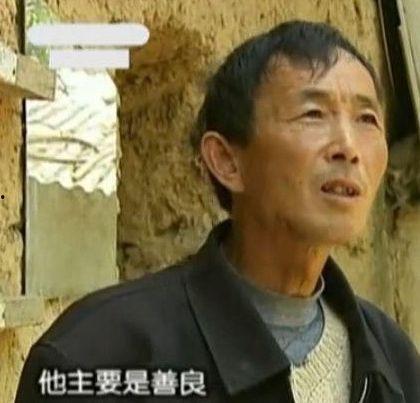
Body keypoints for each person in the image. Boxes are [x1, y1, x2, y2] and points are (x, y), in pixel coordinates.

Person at [15, 20, 420, 403]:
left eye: (367, 119)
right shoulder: (97, 354)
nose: (349, 147)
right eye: (313, 114)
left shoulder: (392, 358)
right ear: (227, 162)